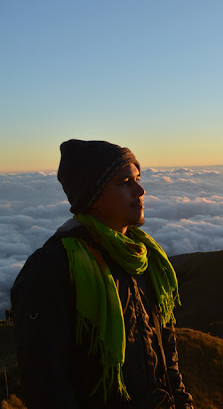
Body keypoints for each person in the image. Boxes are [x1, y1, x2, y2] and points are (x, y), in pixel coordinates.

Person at [11, 139, 194, 408]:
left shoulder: (144, 260)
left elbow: (168, 363)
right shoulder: (52, 269)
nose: (140, 190)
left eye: (138, 178)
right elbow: (47, 386)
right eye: (125, 182)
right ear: (92, 197)